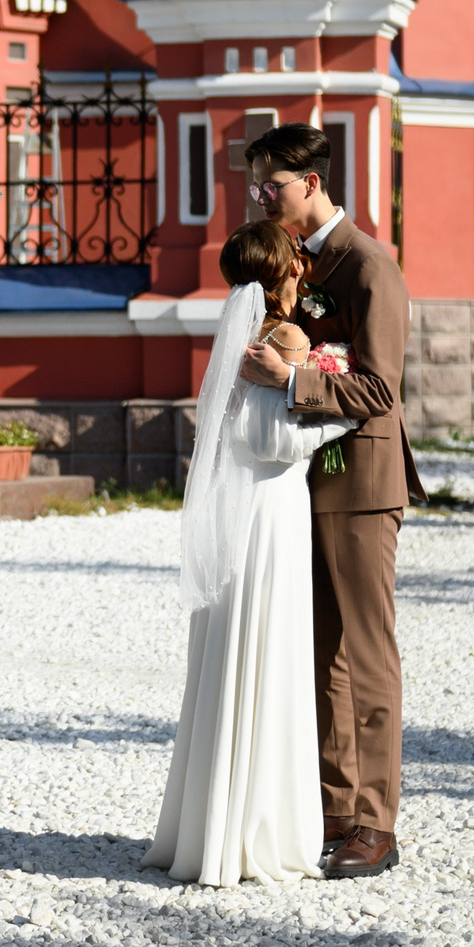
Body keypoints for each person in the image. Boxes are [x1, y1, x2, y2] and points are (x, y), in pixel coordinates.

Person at [143, 221, 357, 885]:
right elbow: (272, 442)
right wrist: (342, 407)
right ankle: (259, 831)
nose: (304, 269)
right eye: (297, 260)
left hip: (243, 513)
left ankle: (214, 825)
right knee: (268, 654)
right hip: (271, 512)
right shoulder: (284, 338)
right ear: (287, 269)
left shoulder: (237, 333)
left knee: (235, 656)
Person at [237, 122, 423, 880]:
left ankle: (377, 824)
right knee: (320, 654)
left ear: (311, 183)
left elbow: (378, 388)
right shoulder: (295, 263)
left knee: (366, 653)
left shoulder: (370, 263)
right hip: (303, 479)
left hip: (363, 483)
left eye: (272, 187)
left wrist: (288, 382)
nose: (262, 200)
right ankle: (336, 810)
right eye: (256, 188)